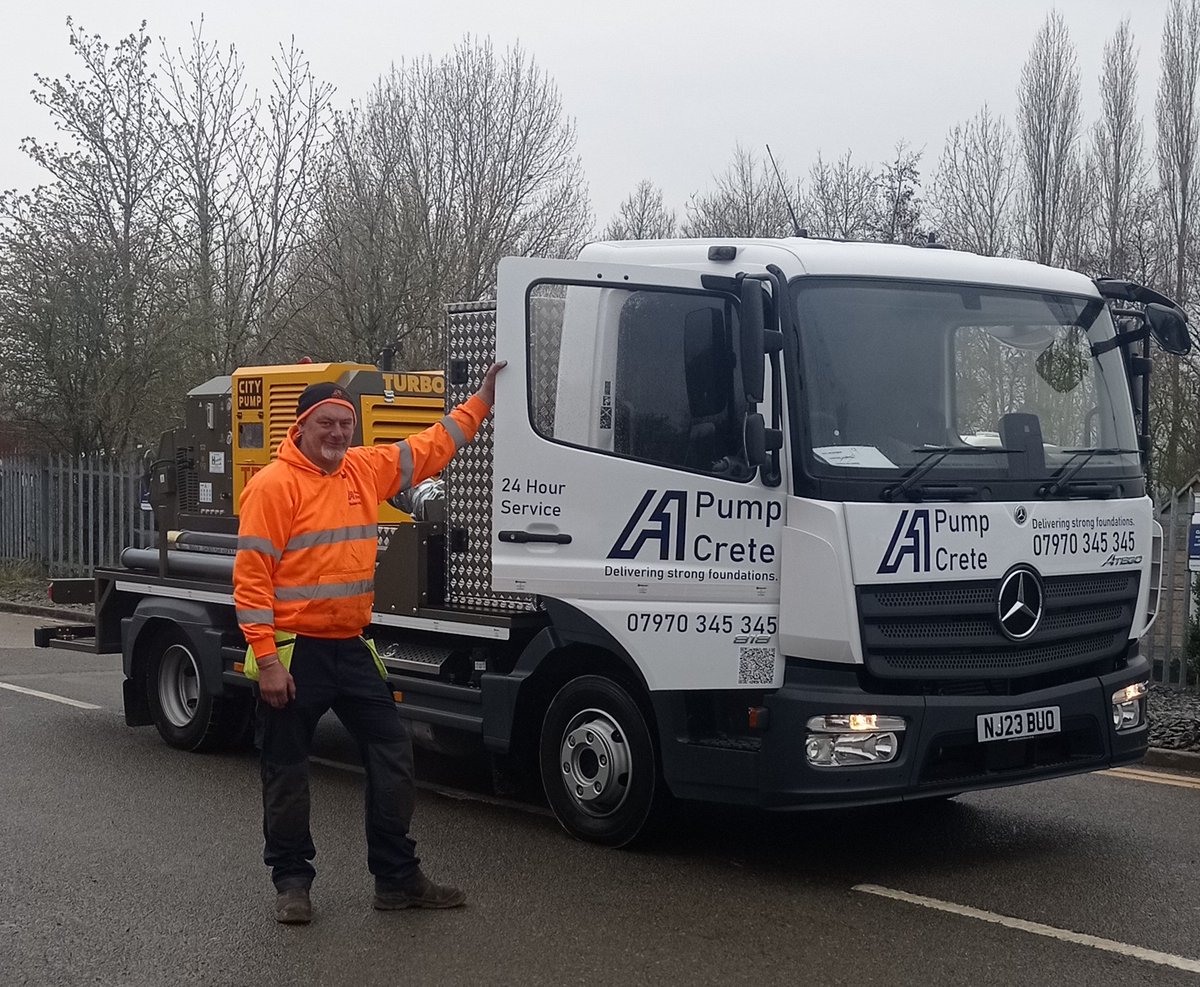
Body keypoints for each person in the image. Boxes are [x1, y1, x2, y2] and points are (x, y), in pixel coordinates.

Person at [234, 361, 505, 925]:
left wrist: (480, 400)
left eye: (345, 424)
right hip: (292, 651)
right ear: (301, 428)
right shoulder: (273, 485)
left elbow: (431, 446)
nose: (337, 434)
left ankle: (396, 879)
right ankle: (292, 883)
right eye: (326, 424)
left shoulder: (364, 469)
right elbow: (252, 580)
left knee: (392, 751)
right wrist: (266, 660)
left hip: (351, 645)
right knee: (286, 768)